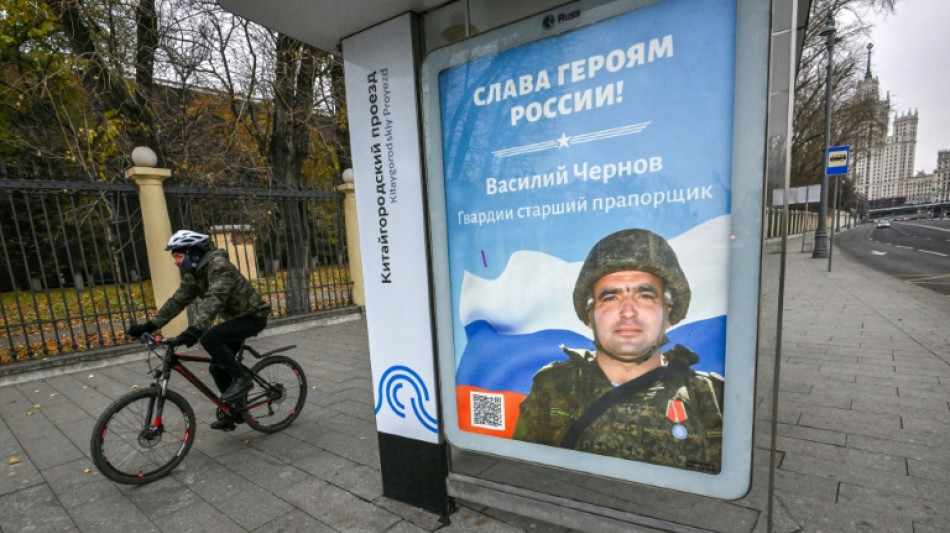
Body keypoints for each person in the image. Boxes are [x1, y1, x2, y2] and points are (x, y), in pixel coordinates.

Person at [512, 229, 724, 472]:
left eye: (645, 295)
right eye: (611, 297)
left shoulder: (712, 397)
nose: (628, 311)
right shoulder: (552, 388)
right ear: (590, 316)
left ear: (668, 313)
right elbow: (524, 472)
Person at [127, 229, 272, 430]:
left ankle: (242, 378)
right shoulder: (195, 274)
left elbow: (214, 299)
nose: (176, 262)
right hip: (234, 318)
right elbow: (177, 301)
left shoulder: (219, 266)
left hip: (252, 316)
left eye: (179, 256)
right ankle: (235, 411)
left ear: (194, 253)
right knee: (216, 367)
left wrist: (194, 330)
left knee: (210, 338)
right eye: (174, 257)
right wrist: (151, 326)